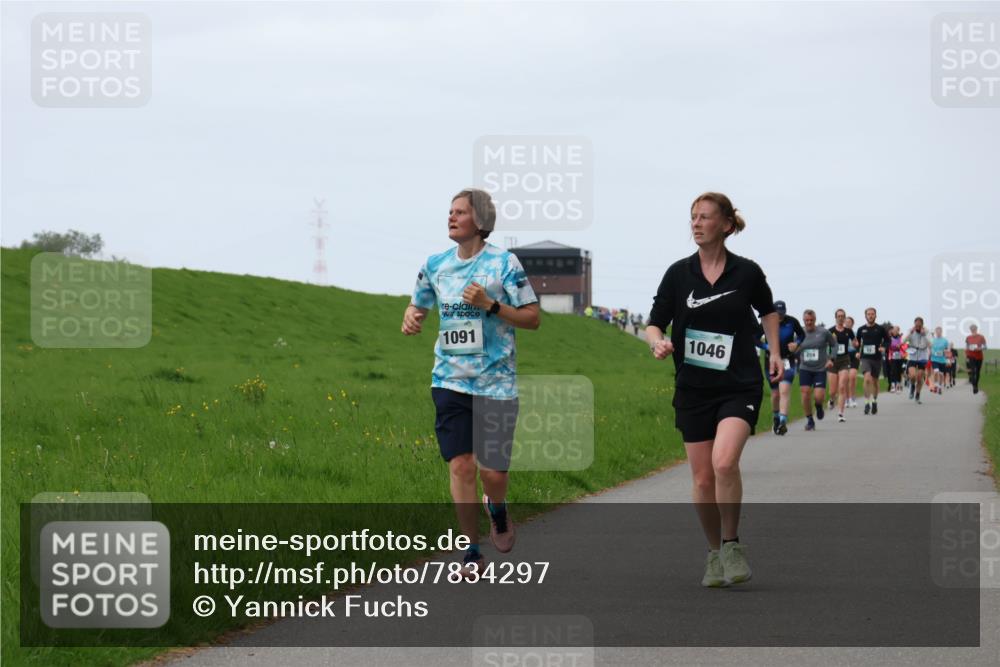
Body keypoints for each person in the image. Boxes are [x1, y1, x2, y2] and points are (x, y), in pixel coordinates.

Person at [402, 188, 540, 577]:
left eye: (459, 212)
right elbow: (419, 302)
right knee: (461, 465)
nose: (451, 217)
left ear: (480, 221)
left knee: (493, 473)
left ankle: (496, 509)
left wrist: (491, 305)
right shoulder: (436, 264)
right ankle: (470, 551)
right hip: (449, 380)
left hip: (496, 384)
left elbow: (533, 318)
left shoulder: (504, 263)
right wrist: (412, 316)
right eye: (449, 211)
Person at [647, 192, 780, 588]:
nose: (696, 223)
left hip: (739, 383)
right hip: (693, 387)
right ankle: (713, 553)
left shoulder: (747, 272)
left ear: (725, 224)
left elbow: (768, 311)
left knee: (724, 463)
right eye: (692, 217)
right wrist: (656, 341)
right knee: (703, 479)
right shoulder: (678, 274)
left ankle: (732, 543)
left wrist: (774, 351)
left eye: (705, 217)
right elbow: (655, 322)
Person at [757, 300, 804, 435]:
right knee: (776, 393)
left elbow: (802, 335)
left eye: (782, 313)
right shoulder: (766, 322)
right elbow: (754, 338)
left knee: (784, 390)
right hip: (770, 361)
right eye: (777, 314)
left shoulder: (792, 321)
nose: (780, 316)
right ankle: (776, 417)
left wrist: (796, 344)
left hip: (787, 360)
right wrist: (766, 347)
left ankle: (783, 421)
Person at [796, 309, 837, 431]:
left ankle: (818, 406)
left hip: (820, 369)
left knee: (818, 397)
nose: (809, 322)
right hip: (805, 368)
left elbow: (834, 344)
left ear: (815, 320)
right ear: (803, 320)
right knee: (805, 393)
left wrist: (831, 359)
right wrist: (793, 349)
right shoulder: (799, 333)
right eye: (806, 320)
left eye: (811, 320)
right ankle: (809, 420)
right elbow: (794, 348)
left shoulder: (824, 332)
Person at [855, 307, 890, 415]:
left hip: (876, 358)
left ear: (875, 315)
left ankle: (874, 401)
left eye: (872, 314)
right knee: (867, 379)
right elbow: (857, 342)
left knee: (875, 381)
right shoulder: (861, 329)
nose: (870, 316)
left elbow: (887, 340)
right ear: (865, 316)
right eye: (868, 314)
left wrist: (883, 347)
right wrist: (857, 351)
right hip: (865, 358)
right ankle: (866, 403)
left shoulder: (880, 329)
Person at [828, 309, 855, 422]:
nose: (840, 318)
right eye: (838, 316)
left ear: (844, 318)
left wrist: (855, 345)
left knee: (842, 386)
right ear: (835, 317)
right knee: (832, 391)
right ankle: (832, 400)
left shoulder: (849, 331)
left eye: (842, 316)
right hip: (833, 361)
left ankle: (840, 413)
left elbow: (856, 343)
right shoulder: (830, 331)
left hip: (844, 360)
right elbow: (824, 344)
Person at [905, 317, 931, 404]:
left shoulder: (927, 332)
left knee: (919, 377)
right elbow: (903, 341)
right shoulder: (910, 330)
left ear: (922, 325)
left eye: (919, 326)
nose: (918, 327)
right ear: (914, 324)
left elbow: (931, 343)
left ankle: (918, 395)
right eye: (916, 325)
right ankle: (912, 386)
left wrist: (925, 335)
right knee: (912, 376)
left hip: (922, 355)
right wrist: (910, 333)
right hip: (912, 354)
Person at [966, 324, 987, 394]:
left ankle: (976, 385)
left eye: (974, 329)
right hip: (971, 356)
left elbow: (985, 347)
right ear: (970, 330)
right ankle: (974, 386)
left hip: (979, 356)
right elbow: (967, 347)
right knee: (973, 371)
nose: (973, 330)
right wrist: (968, 349)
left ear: (976, 329)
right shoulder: (968, 338)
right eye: (972, 329)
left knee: (977, 372)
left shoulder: (981, 337)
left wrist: (979, 348)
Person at [845, 316, 860, 408]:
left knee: (853, 377)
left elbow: (859, 344)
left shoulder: (855, 334)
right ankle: (846, 399)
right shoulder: (842, 333)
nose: (847, 323)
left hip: (854, 356)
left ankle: (852, 397)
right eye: (846, 322)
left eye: (849, 322)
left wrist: (858, 352)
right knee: (845, 379)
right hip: (845, 357)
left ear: (852, 324)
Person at [929, 326, 949, 395]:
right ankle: (936, 385)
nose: (938, 333)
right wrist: (931, 352)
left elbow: (948, 349)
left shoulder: (945, 340)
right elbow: (930, 348)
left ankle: (939, 386)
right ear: (935, 332)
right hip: (934, 359)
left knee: (941, 375)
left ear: (941, 332)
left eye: (939, 331)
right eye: (937, 331)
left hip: (942, 360)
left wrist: (944, 352)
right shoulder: (932, 340)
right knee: (936, 372)